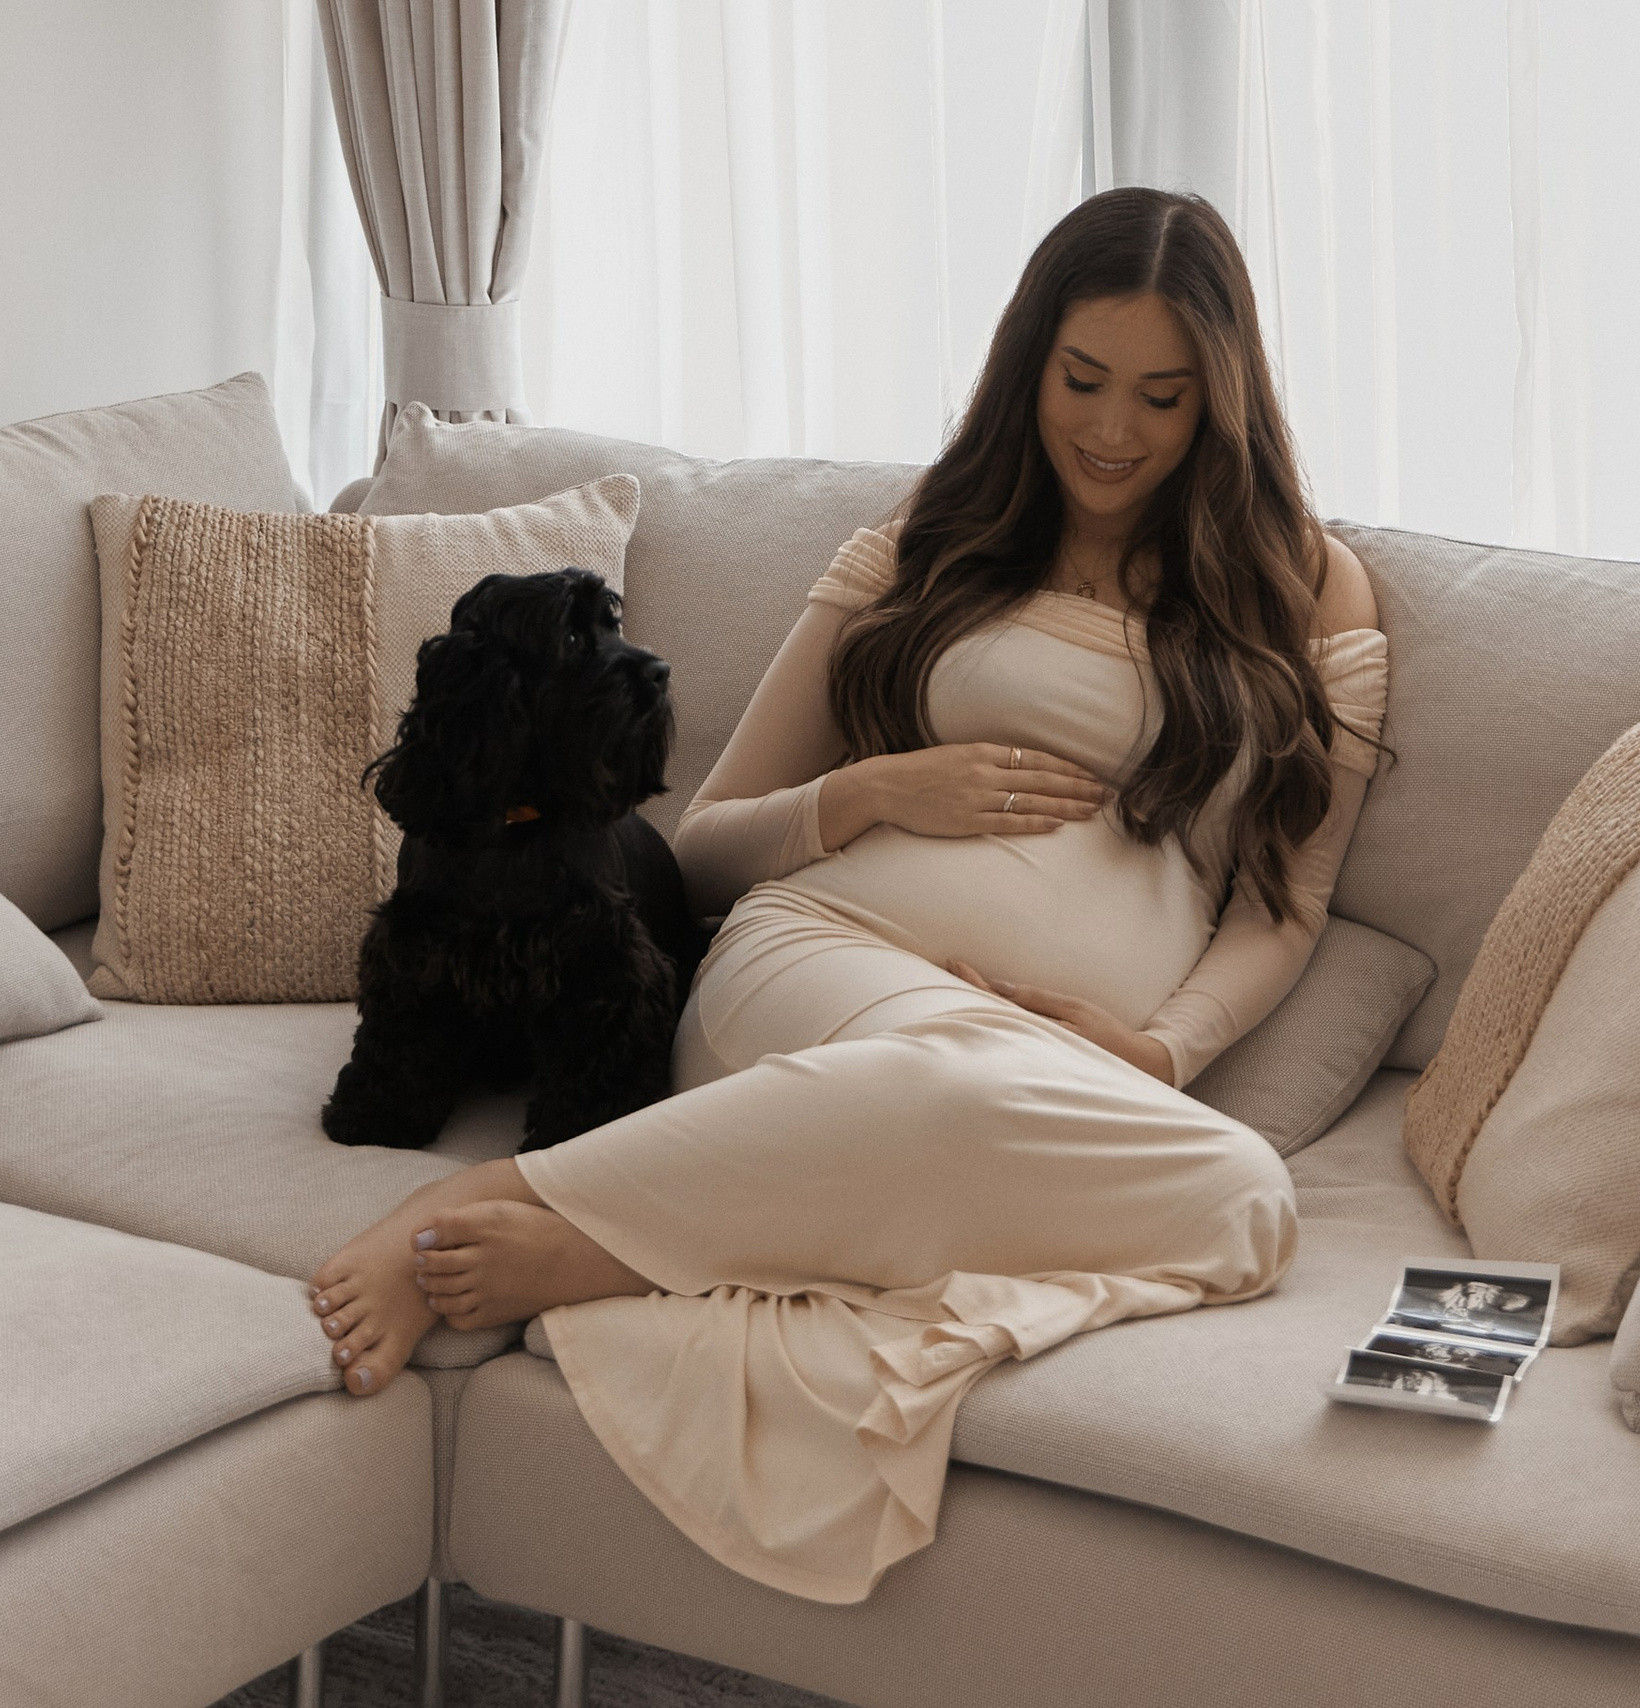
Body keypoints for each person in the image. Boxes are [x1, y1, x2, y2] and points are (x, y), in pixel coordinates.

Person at [304, 188, 1387, 1602]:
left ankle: (638, 1240)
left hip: (1046, 1059)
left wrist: (1163, 1052)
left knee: (1244, 1194)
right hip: (820, 961)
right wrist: (875, 796)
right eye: (1082, 381)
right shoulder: (927, 538)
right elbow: (699, 846)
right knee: (931, 1087)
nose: (1114, 430)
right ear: (1027, 365)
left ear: (1222, 403)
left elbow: (1285, 912)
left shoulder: (1310, 591)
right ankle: (508, 1216)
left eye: (1164, 397)